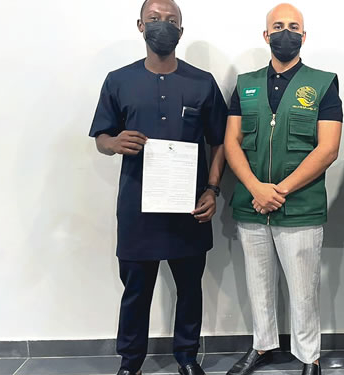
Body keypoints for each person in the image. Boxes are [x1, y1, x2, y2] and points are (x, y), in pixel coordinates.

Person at [89, 1, 227, 374]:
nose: (162, 26)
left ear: (181, 31)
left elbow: (220, 141)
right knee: (136, 292)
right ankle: (130, 361)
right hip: (137, 209)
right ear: (140, 26)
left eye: (171, 21)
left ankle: (186, 357)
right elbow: (101, 136)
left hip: (190, 208)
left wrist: (212, 188)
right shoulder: (118, 80)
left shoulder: (203, 82)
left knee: (190, 288)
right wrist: (114, 143)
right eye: (154, 20)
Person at [223, 4, 343, 375]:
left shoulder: (324, 83)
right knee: (257, 283)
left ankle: (310, 357)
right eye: (278, 26)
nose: (285, 32)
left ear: (304, 37)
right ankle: (263, 346)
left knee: (304, 288)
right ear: (266, 35)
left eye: (293, 27)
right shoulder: (245, 84)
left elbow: (328, 148)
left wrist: (280, 190)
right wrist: (257, 189)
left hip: (301, 206)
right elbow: (232, 142)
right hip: (251, 204)